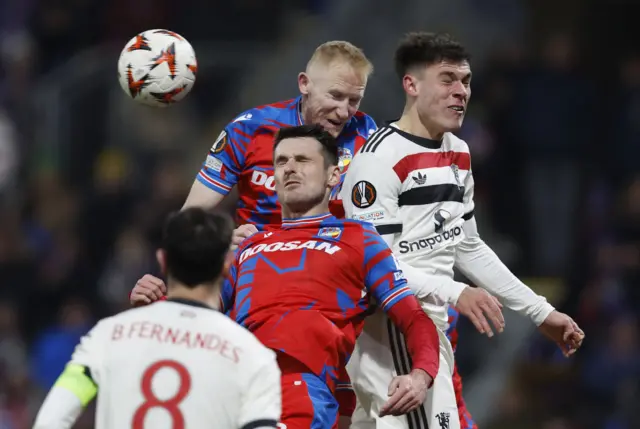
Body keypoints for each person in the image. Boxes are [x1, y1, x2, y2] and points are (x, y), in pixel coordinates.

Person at [340, 32, 585, 429]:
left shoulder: (457, 151)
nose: (461, 92)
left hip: (428, 327)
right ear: (412, 85)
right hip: (392, 331)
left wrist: (541, 312)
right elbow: (375, 269)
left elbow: (466, 246)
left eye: (466, 81)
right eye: (448, 79)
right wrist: (457, 291)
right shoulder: (377, 159)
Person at [130, 39, 376, 420]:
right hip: (259, 287)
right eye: (336, 95)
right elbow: (189, 217)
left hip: (328, 291)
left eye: (354, 100)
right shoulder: (250, 130)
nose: (344, 111)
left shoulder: (367, 138)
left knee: (343, 410)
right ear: (304, 84)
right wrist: (224, 237)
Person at [221, 124, 440, 429]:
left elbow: (414, 317)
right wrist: (157, 298)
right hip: (227, 386)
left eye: (303, 160)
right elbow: (200, 311)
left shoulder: (359, 238)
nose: (289, 169)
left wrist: (420, 376)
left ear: (333, 177)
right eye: (281, 162)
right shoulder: (249, 243)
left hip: (294, 384)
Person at [33, 208, 282, 429]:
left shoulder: (107, 335)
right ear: (226, 267)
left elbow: (50, 420)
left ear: (162, 261)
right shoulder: (251, 355)